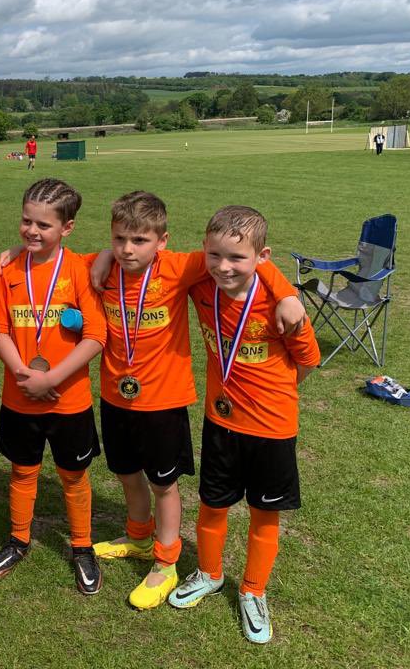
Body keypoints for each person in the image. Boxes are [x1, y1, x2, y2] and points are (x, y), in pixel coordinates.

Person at [85, 192, 306, 610]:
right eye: (119, 240)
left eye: (139, 241)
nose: (128, 249)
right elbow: (53, 254)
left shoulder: (182, 267)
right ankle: (136, 535)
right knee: (127, 474)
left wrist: (288, 292)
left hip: (164, 402)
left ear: (162, 241)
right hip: (115, 396)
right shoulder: (107, 264)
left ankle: (166, 562)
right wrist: (100, 254)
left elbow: (246, 257)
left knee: (163, 484)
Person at [169, 206, 320, 644]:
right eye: (215, 255)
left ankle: (253, 590)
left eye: (237, 257)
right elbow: (153, 263)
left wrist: (272, 396)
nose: (224, 266)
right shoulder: (201, 287)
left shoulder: (282, 308)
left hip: (273, 429)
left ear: (262, 256)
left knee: (263, 513)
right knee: (213, 504)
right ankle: (210, 573)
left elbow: (307, 362)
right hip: (221, 422)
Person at [0, 178, 108, 595]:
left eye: (43, 225)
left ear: (67, 228)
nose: (32, 232)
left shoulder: (80, 269)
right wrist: (23, 373)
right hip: (20, 395)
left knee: (73, 475)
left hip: (67, 398)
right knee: (22, 470)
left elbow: (96, 334)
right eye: (26, 222)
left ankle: (81, 546)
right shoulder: (5, 268)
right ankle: (19, 539)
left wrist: (51, 378)